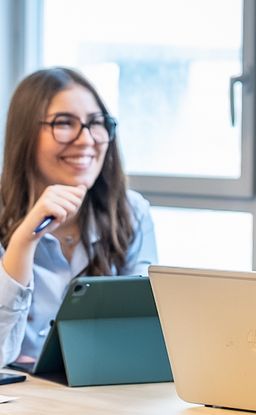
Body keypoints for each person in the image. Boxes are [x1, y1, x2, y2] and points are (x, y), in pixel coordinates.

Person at [0, 67, 157, 367]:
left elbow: (145, 330)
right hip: (21, 400)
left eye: (96, 123)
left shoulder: (131, 211)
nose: (86, 140)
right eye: (64, 123)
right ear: (25, 134)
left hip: (103, 390)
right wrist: (24, 240)